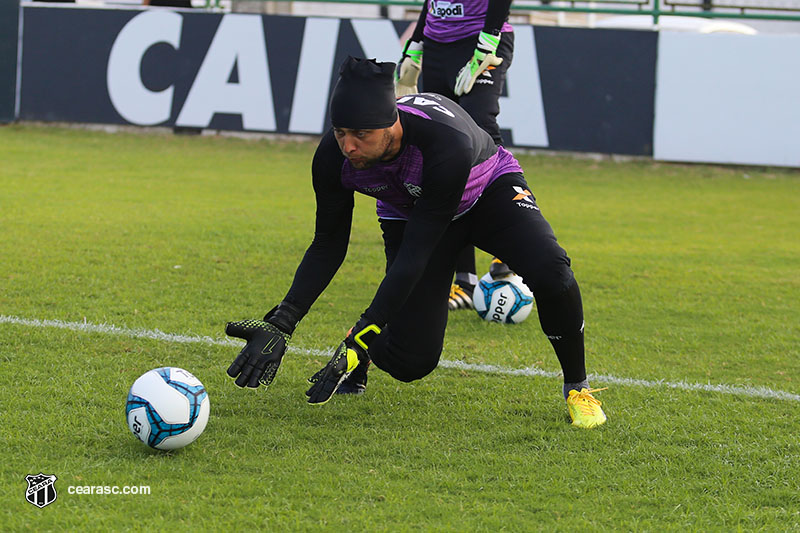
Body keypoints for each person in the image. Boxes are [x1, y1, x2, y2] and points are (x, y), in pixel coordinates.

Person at [225, 57, 607, 428]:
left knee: (552, 272)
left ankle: (578, 388)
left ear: (391, 125)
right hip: (410, 212)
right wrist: (283, 322)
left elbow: (417, 253)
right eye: (341, 133)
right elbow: (328, 244)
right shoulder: (331, 157)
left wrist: (365, 330)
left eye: (361, 135)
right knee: (412, 362)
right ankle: (367, 351)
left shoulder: (442, 144)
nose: (349, 147)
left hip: (488, 194)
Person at [395, 0, 515, 310]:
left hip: (479, 39)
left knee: (481, 127)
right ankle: (465, 280)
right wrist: (416, 44)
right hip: (437, 45)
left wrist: (488, 39)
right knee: (447, 143)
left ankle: (512, 235)